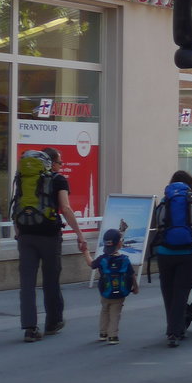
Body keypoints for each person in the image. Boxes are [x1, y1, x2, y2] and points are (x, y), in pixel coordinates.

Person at [16, 147, 88, 342]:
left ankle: (30, 328)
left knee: (27, 284)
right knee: (51, 280)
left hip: (25, 236)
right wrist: (80, 235)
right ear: (51, 163)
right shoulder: (58, 180)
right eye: (59, 162)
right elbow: (65, 208)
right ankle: (53, 322)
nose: (61, 166)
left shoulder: (22, 178)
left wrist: (19, 234)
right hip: (49, 236)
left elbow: (17, 205)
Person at [152, 170, 192, 347]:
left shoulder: (165, 201)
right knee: (181, 292)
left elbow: (159, 224)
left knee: (168, 292)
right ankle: (175, 332)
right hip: (189, 252)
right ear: (191, 185)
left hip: (165, 252)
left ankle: (173, 328)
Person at [92, 228, 139, 344]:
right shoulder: (124, 260)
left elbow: (91, 264)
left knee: (104, 310)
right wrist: (135, 287)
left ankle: (103, 333)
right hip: (120, 293)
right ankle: (113, 336)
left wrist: (85, 253)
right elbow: (132, 275)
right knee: (115, 313)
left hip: (105, 292)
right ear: (119, 244)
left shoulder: (101, 259)